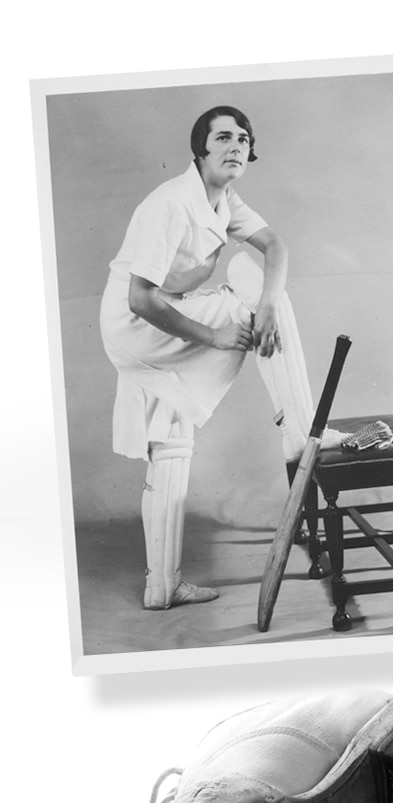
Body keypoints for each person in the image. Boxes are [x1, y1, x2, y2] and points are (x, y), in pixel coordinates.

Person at [100, 105, 336, 610]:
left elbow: (276, 244)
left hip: (156, 319)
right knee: (247, 279)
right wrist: (214, 337)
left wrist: (270, 304)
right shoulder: (170, 203)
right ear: (199, 150)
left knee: (171, 444)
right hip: (137, 321)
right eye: (224, 138)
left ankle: (162, 587)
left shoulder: (223, 198)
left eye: (245, 140)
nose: (237, 147)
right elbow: (139, 298)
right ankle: (300, 428)